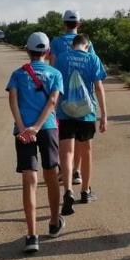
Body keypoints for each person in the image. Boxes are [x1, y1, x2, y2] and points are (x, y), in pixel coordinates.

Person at [6, 31, 64, 254]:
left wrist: (23, 128)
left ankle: (32, 235)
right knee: (51, 174)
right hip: (47, 128)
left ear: (27, 50)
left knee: (30, 179)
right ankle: (53, 222)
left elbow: (12, 101)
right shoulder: (55, 73)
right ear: (47, 51)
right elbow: (52, 101)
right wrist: (37, 127)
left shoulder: (17, 74)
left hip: (23, 133)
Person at [55, 33, 108, 213]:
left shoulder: (61, 58)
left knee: (67, 153)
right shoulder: (93, 59)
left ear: (73, 45)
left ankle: (68, 190)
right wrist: (104, 115)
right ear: (87, 45)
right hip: (87, 113)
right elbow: (99, 88)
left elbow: (55, 85)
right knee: (86, 152)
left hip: (65, 111)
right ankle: (85, 191)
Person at [49, 10, 95, 186]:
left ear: (64, 24)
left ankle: (66, 173)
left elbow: (52, 68)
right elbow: (92, 65)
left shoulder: (57, 42)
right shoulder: (87, 43)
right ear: (79, 24)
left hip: (63, 98)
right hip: (84, 99)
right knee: (81, 140)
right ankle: (77, 171)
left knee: (66, 140)